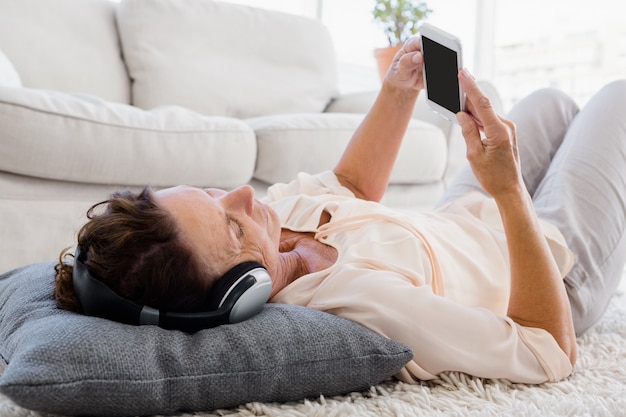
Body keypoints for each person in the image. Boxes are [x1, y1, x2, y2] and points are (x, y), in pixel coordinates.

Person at [55, 36, 626, 384]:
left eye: (209, 194)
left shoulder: (273, 228)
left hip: (460, 217)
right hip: (549, 262)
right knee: (615, 100)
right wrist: (508, 193)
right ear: (238, 293)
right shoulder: (362, 307)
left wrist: (398, 90)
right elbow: (547, 350)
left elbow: (348, 185)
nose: (246, 195)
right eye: (232, 224)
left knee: (549, 102)